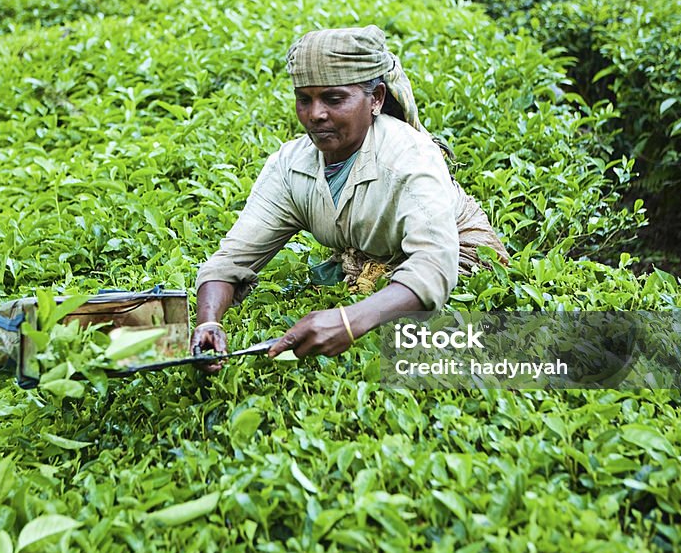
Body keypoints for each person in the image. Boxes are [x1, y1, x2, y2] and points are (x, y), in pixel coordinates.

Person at [191, 25, 508, 369]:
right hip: (369, 257)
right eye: (304, 99)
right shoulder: (291, 166)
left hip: (460, 255)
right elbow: (231, 260)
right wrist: (209, 321)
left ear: (376, 99)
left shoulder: (409, 158)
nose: (315, 114)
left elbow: (432, 269)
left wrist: (347, 321)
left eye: (334, 99)